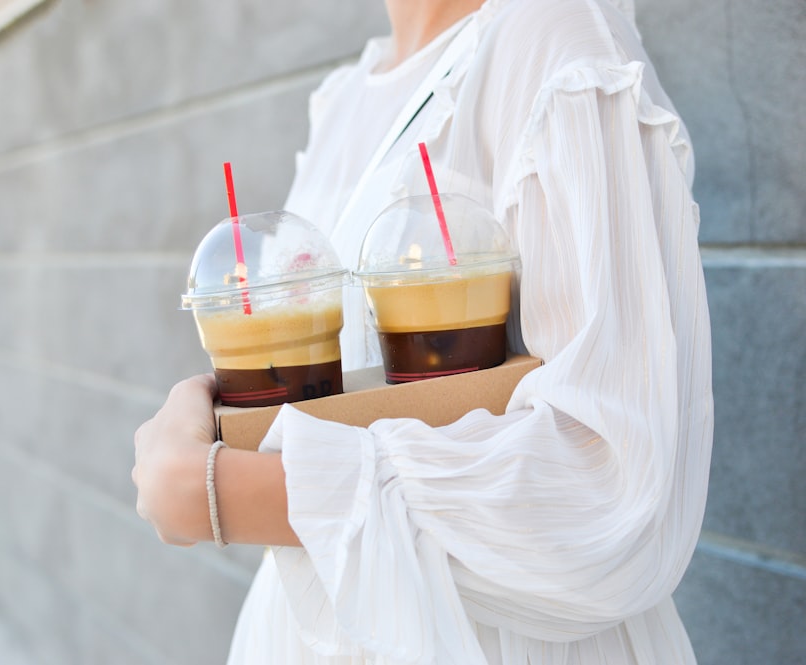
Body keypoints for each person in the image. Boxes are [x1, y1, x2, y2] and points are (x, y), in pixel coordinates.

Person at [132, 0, 714, 662]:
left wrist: (225, 494)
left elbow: (613, 491)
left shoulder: (555, 38)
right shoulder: (345, 97)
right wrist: (205, 424)